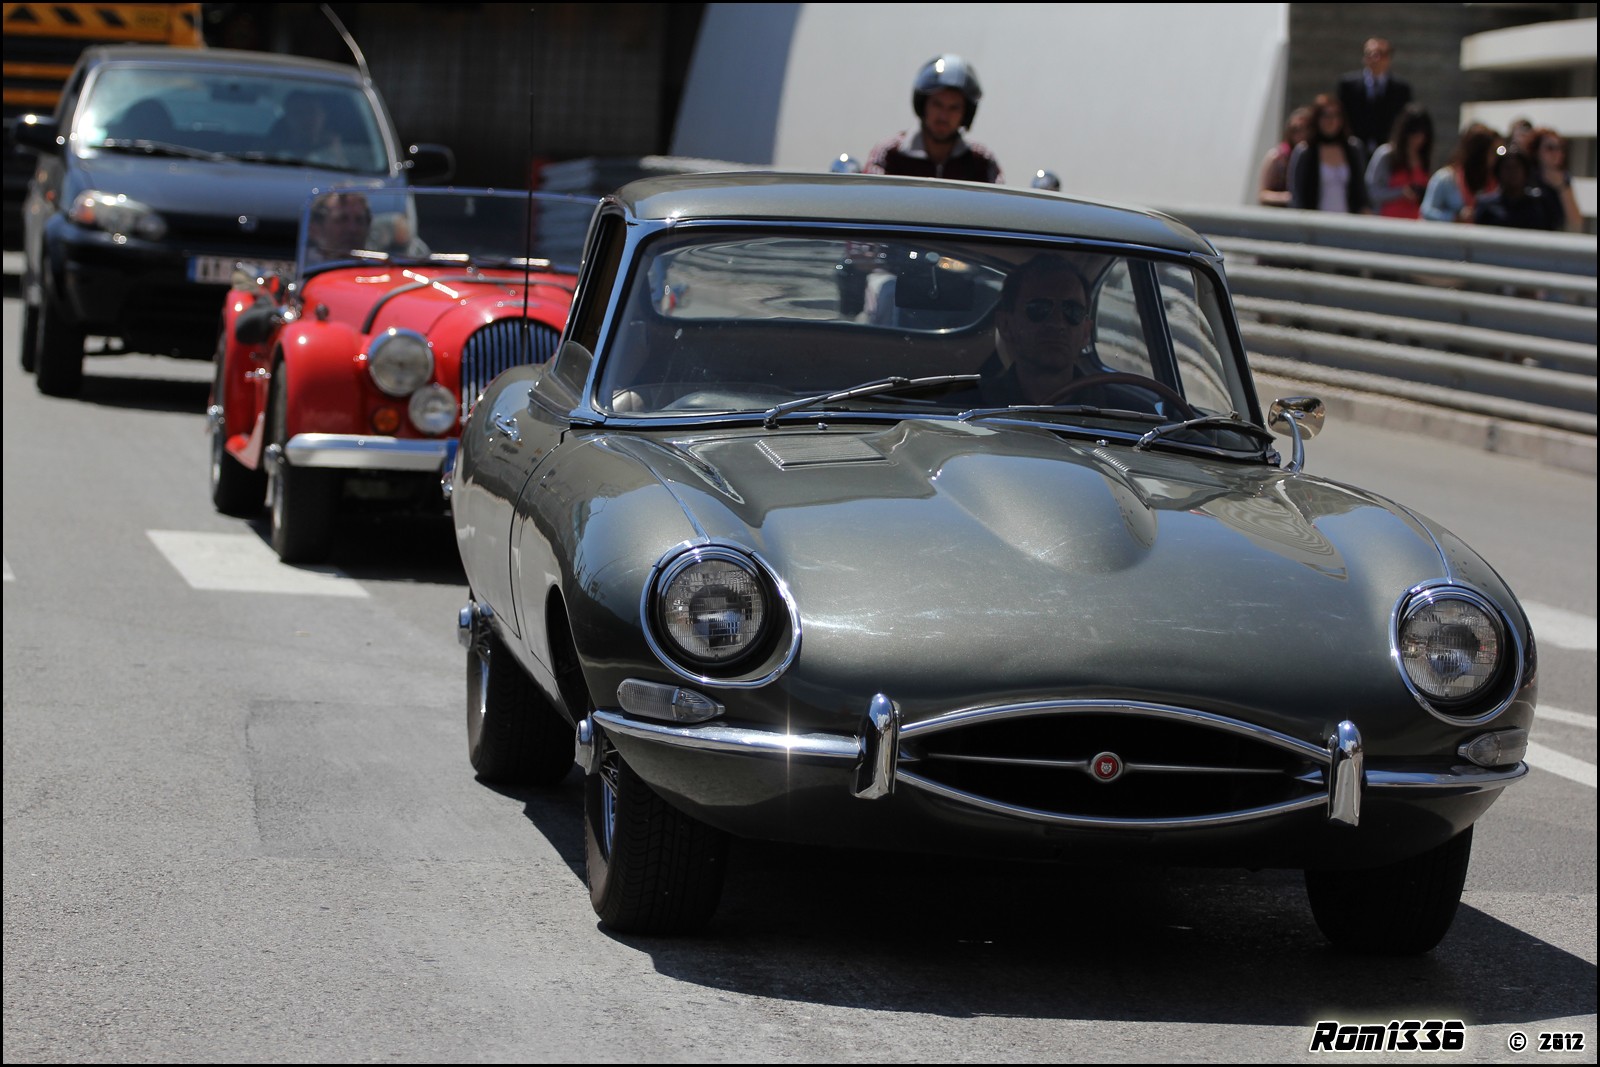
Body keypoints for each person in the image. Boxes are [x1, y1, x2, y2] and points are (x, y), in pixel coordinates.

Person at [980, 254, 1103, 406]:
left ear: (1086, 331)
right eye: (1039, 308)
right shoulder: (968, 411)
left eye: (1072, 311)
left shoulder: (1118, 413)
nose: (1058, 323)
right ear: (1005, 324)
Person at [864, 54, 1002, 183]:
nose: (944, 116)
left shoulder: (981, 162)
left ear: (966, 114)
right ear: (923, 105)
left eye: (954, 108)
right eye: (937, 104)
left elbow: (1000, 204)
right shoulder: (890, 154)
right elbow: (869, 198)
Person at [1288, 94, 1369, 213]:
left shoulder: (1353, 149)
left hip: (1349, 224)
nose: (1332, 121)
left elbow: (1361, 191)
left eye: (1336, 115)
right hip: (1315, 225)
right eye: (1326, 116)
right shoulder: (1305, 152)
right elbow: (1297, 196)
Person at [1337, 36, 1412, 156]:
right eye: (1369, 54)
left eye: (1380, 54)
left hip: (1388, 151)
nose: (1374, 58)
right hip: (1355, 150)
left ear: (1388, 58)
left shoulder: (1401, 89)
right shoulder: (1348, 85)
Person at [1365, 104, 1433, 219]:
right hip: (1387, 223)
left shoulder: (1423, 159)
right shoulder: (1386, 155)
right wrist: (1401, 192)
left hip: (1414, 225)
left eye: (1422, 135)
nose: (1418, 140)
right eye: (1414, 134)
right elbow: (1372, 192)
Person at [1420, 123, 1498, 223]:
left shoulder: (1492, 182)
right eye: (1491, 152)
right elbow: (1426, 212)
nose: (1494, 158)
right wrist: (1454, 217)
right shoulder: (1445, 178)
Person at [1474, 144, 1561, 231]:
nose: (1512, 173)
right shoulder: (1486, 205)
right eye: (1507, 168)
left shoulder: (1540, 205)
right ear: (1498, 172)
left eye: (1517, 167)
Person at [1527, 127, 1584, 232]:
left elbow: (1576, 223)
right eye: (1550, 148)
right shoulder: (1526, 176)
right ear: (1536, 151)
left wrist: (1562, 187)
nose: (1556, 153)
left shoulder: (1564, 179)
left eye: (1560, 148)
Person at [1258, 107, 1313, 207]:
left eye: (1306, 128)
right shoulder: (1277, 157)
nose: (1302, 134)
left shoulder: (1316, 157)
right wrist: (1286, 197)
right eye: (1296, 129)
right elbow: (1262, 195)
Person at [305, 191, 372, 262]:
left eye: (359, 220)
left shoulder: (379, 267)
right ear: (315, 229)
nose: (352, 229)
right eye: (342, 220)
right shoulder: (303, 269)